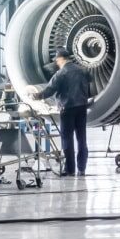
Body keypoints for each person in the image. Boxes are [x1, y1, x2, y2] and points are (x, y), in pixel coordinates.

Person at [30, 48, 91, 177]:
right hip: (82, 107)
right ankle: (82, 169)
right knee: (81, 139)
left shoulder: (61, 73)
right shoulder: (82, 70)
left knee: (67, 139)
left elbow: (50, 90)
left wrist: (37, 96)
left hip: (67, 108)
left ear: (61, 58)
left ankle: (69, 169)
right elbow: (90, 82)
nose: (56, 63)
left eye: (57, 60)